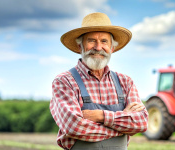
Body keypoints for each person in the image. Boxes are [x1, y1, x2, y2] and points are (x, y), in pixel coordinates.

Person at [50, 12, 149, 150]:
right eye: (91, 41)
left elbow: (141, 122)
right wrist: (121, 126)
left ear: (112, 48)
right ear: (80, 46)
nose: (98, 47)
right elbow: (74, 127)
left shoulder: (125, 82)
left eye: (104, 41)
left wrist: (100, 116)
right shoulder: (65, 81)